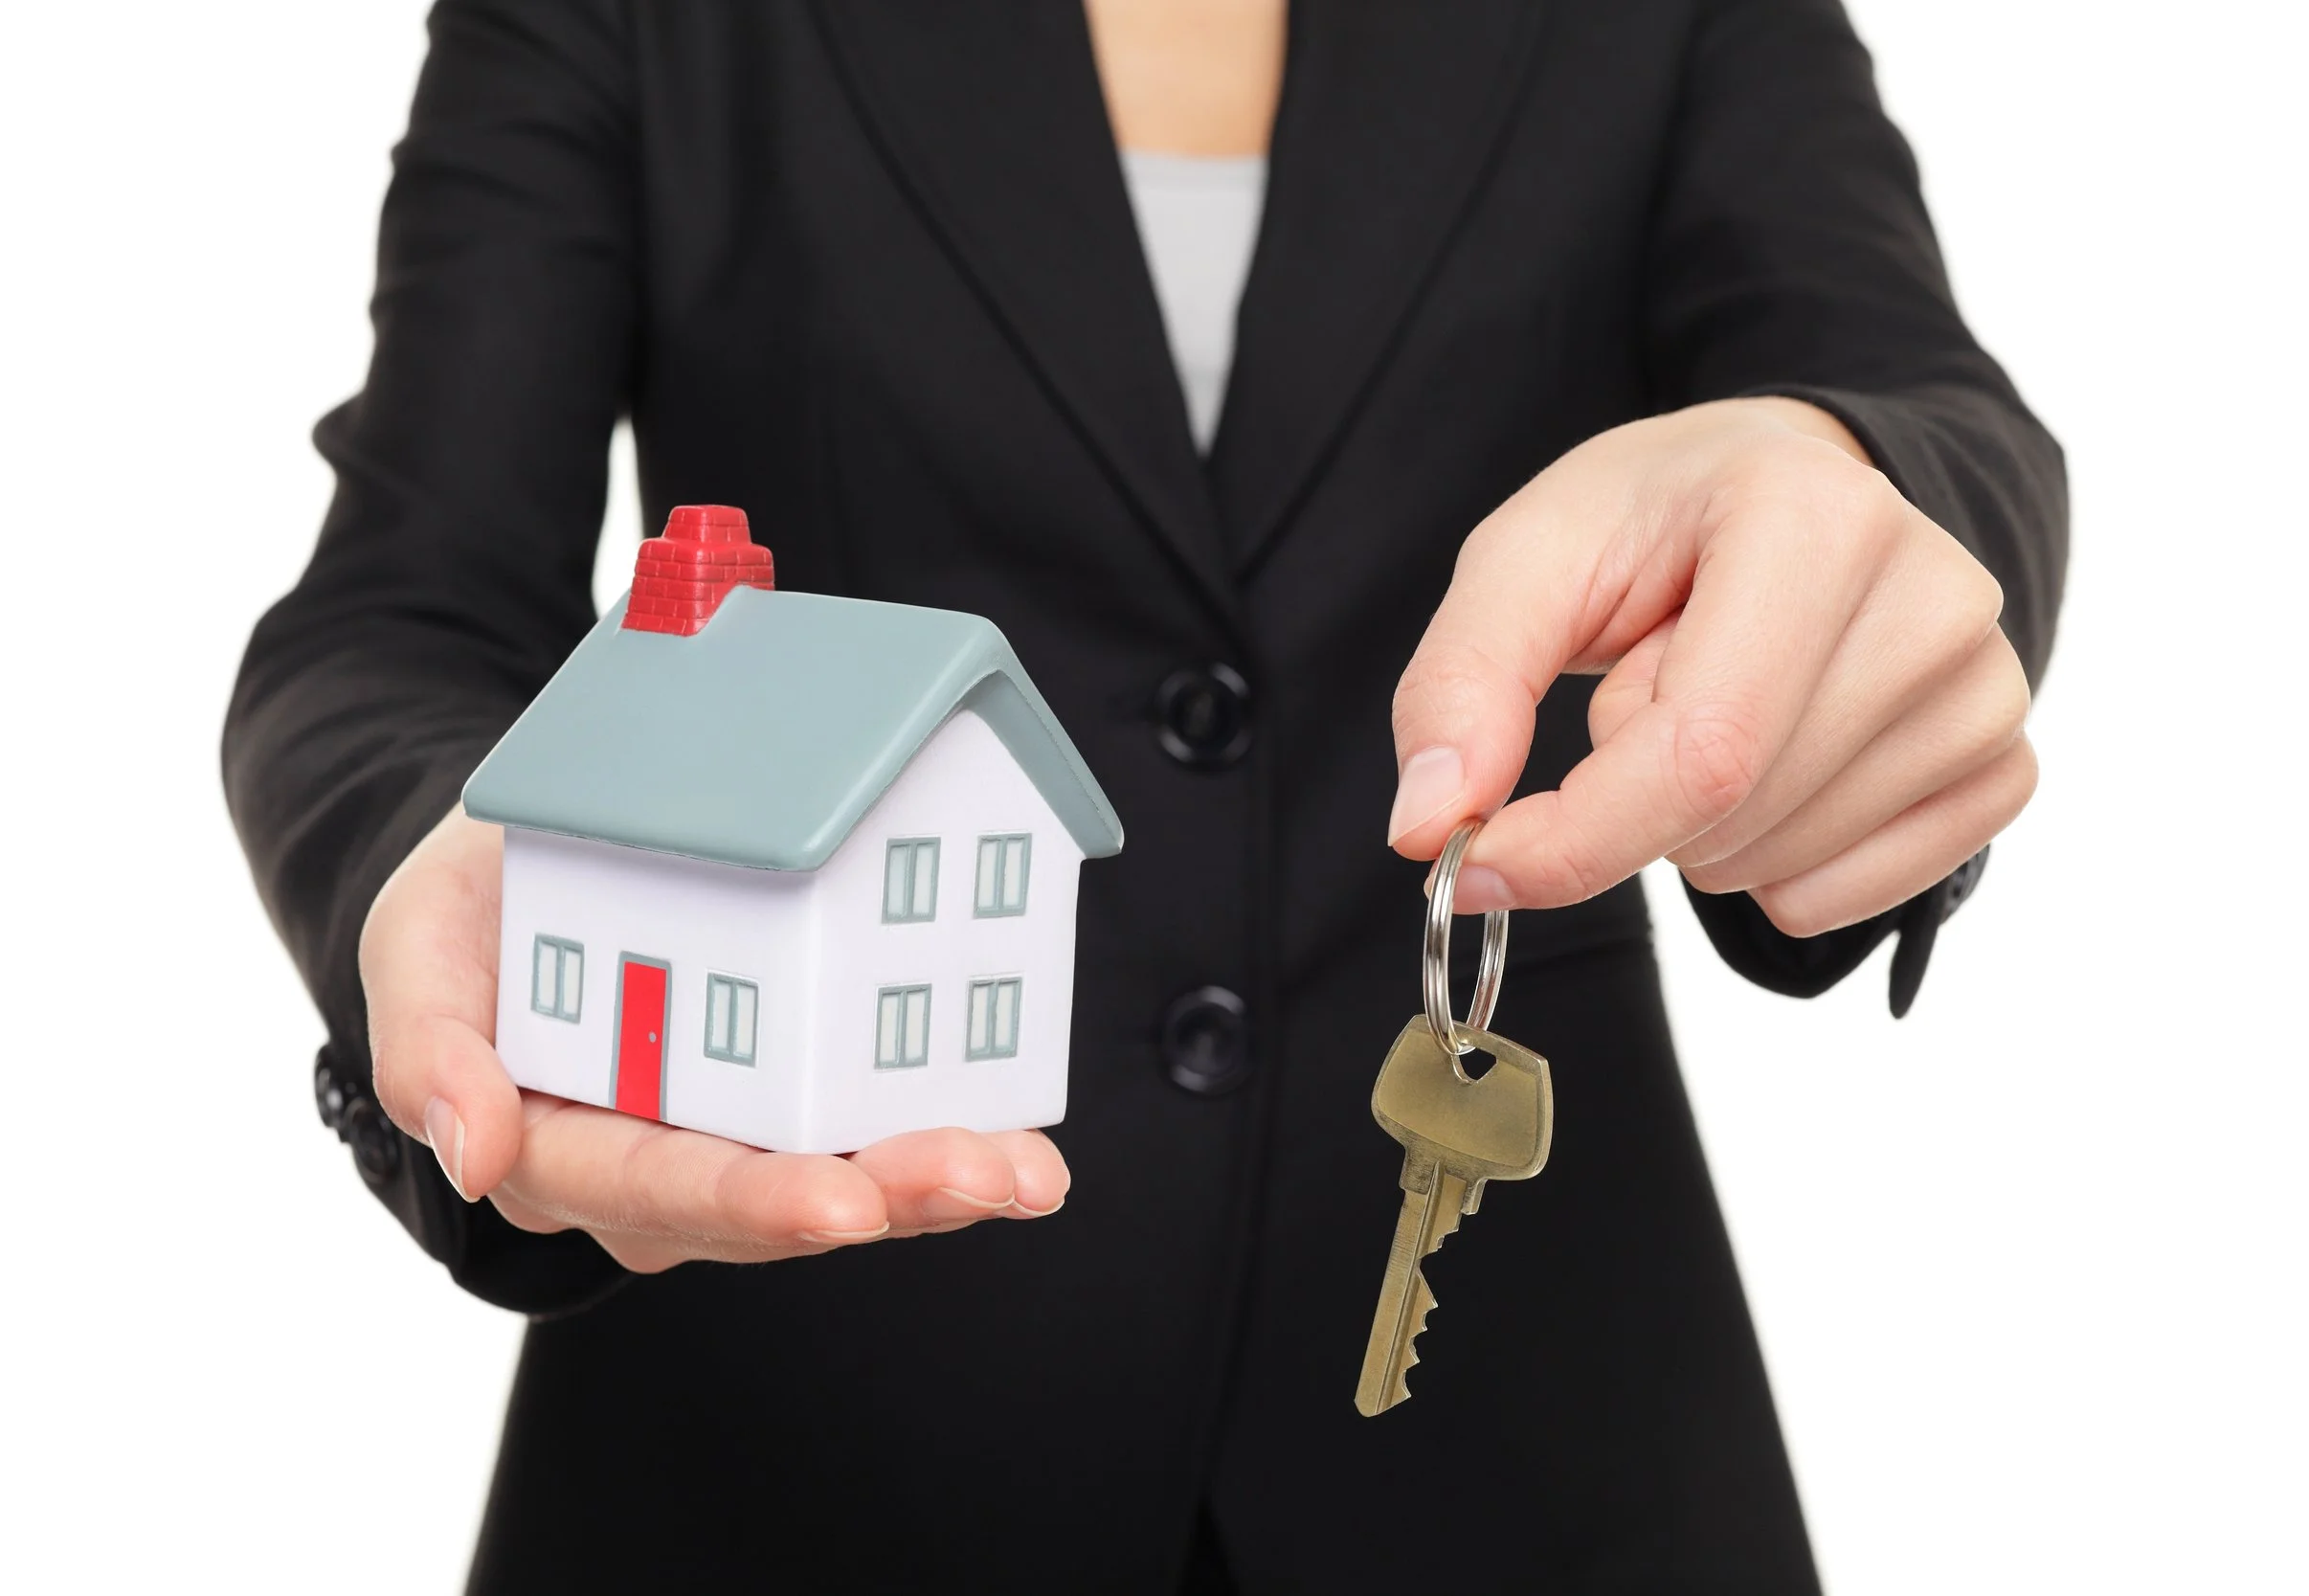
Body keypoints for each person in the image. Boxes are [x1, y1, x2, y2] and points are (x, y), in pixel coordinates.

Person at [224, 1, 2065, 1589]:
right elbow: (404, 609)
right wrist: (441, 859)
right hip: (784, 1433)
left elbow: (1919, 407)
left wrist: (1843, 512)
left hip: (1537, 1441)